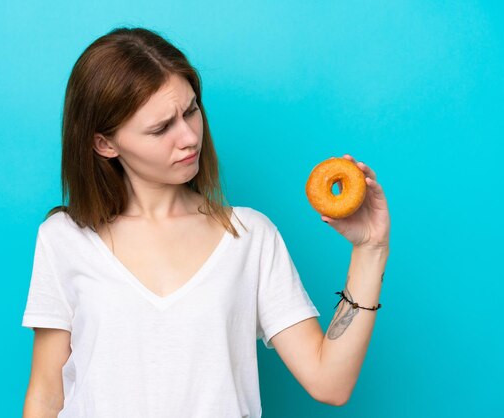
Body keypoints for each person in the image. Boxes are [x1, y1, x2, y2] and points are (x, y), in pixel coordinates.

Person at [21, 26, 391, 418]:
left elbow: (329, 383)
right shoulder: (64, 239)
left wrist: (371, 249)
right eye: (161, 128)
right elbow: (47, 395)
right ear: (105, 144)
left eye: (191, 110)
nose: (188, 137)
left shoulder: (249, 236)